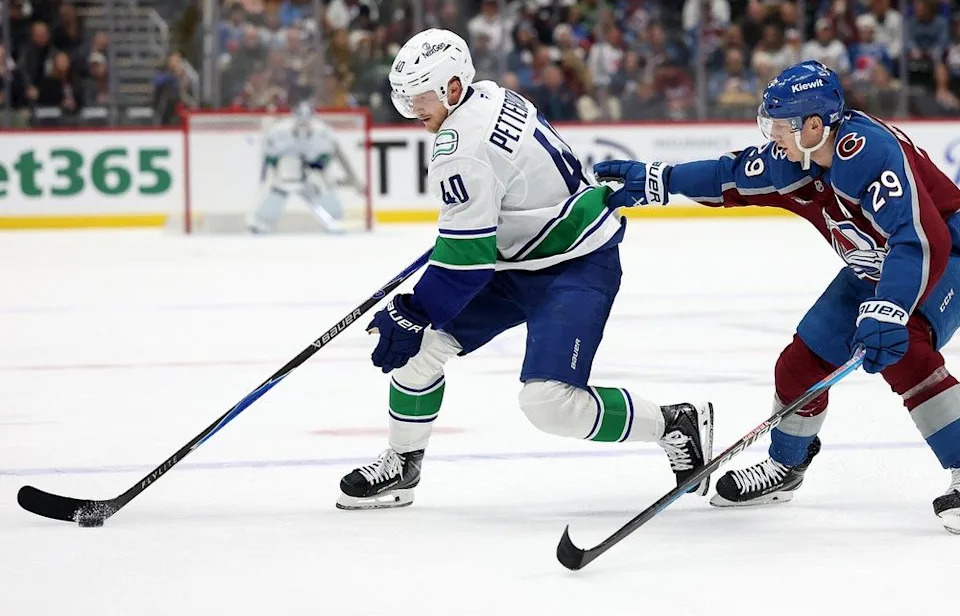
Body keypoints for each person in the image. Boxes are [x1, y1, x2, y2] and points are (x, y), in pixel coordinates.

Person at [336, 28, 714, 510]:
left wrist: (414, 308)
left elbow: (465, 267)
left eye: (421, 98)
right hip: (520, 258)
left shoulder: (460, 148)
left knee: (549, 404)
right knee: (420, 352)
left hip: (574, 264)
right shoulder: (491, 94)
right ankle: (404, 463)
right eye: (405, 100)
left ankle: (673, 422)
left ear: (453, 87)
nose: (413, 111)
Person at [594, 60, 960, 534]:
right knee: (800, 365)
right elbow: (727, 175)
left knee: (904, 349)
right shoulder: (794, 159)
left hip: (945, 255)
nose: (772, 135)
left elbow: (919, 239)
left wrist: (889, 309)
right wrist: (661, 178)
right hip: (878, 264)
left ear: (814, 124)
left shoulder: (868, 154)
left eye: (780, 124)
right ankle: (787, 467)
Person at [248, 101, 355, 234]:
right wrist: (276, 167)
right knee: (279, 187)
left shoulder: (322, 132)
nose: (303, 124)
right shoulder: (279, 132)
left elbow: (330, 154)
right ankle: (263, 222)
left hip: (311, 172)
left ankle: (333, 219)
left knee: (320, 186)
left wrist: (318, 166)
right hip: (287, 171)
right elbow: (269, 155)